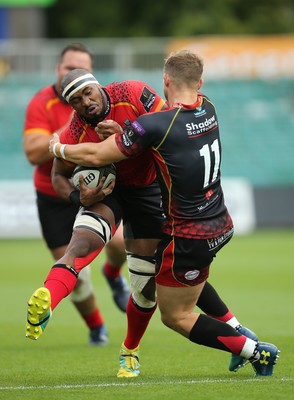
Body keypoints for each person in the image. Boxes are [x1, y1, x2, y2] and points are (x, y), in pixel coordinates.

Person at [48, 50, 280, 378]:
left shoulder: (154, 125)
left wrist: (57, 148)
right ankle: (241, 334)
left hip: (187, 231)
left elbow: (100, 153)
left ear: (165, 81)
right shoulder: (209, 107)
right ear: (200, 83)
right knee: (176, 282)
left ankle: (254, 350)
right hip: (219, 222)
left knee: (175, 315)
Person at [23, 43, 129, 346]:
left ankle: (112, 273)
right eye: (68, 68)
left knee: (121, 243)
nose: (73, 74)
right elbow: (33, 152)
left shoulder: (100, 101)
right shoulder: (42, 103)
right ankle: (97, 327)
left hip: (99, 190)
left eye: (80, 69)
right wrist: (71, 127)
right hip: (54, 197)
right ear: (58, 69)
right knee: (77, 277)